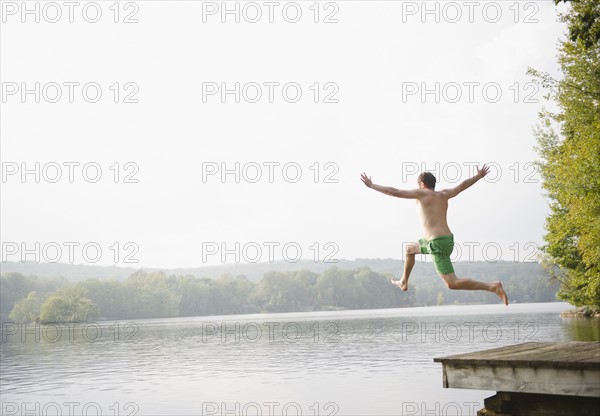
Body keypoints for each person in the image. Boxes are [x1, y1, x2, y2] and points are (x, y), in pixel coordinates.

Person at [360, 165, 509, 305]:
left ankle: (492, 286)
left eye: (419, 185)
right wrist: (478, 176)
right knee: (410, 249)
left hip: (436, 244)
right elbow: (461, 186)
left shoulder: (422, 193)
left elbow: (394, 192)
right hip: (445, 241)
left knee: (452, 283)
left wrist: (372, 186)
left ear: (422, 184)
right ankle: (404, 281)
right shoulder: (444, 194)